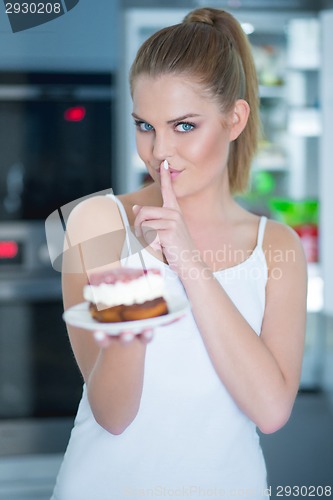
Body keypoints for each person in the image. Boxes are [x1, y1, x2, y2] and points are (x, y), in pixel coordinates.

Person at [51, 7, 307, 500]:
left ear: (234, 119)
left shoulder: (278, 247)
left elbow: (272, 411)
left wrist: (186, 259)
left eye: (184, 126)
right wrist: (131, 328)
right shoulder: (98, 222)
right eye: (145, 126)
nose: (158, 152)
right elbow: (114, 415)